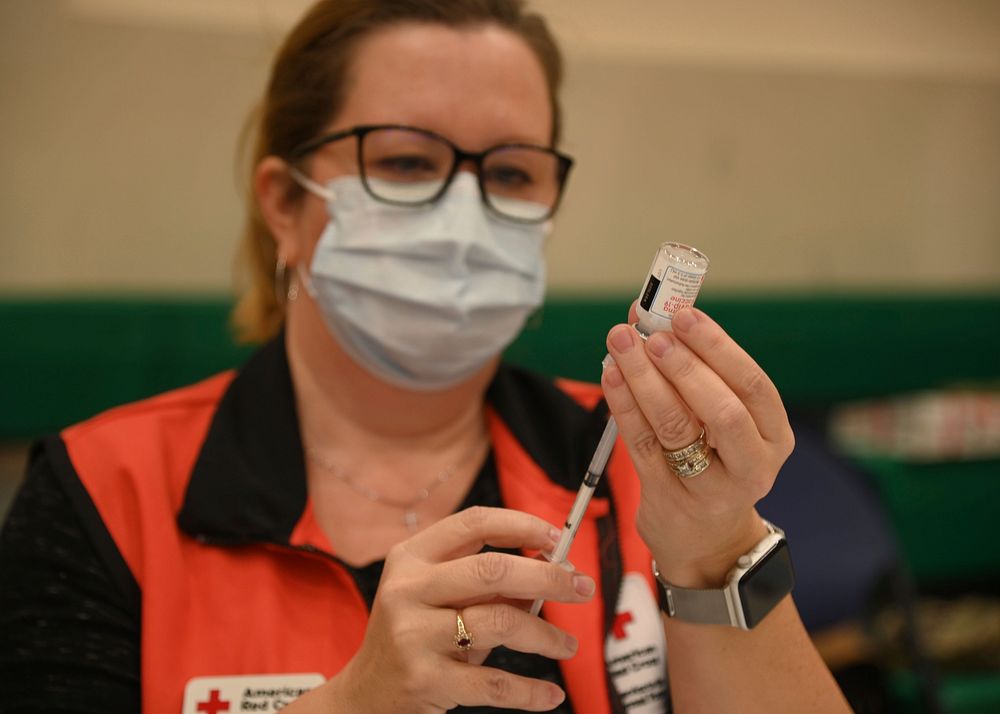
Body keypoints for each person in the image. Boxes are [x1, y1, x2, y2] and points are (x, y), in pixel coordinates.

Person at [0, 1, 852, 712]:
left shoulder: (639, 461)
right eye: (407, 161)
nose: (465, 219)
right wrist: (348, 704)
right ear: (286, 208)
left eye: (512, 174)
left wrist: (716, 550)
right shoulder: (110, 494)